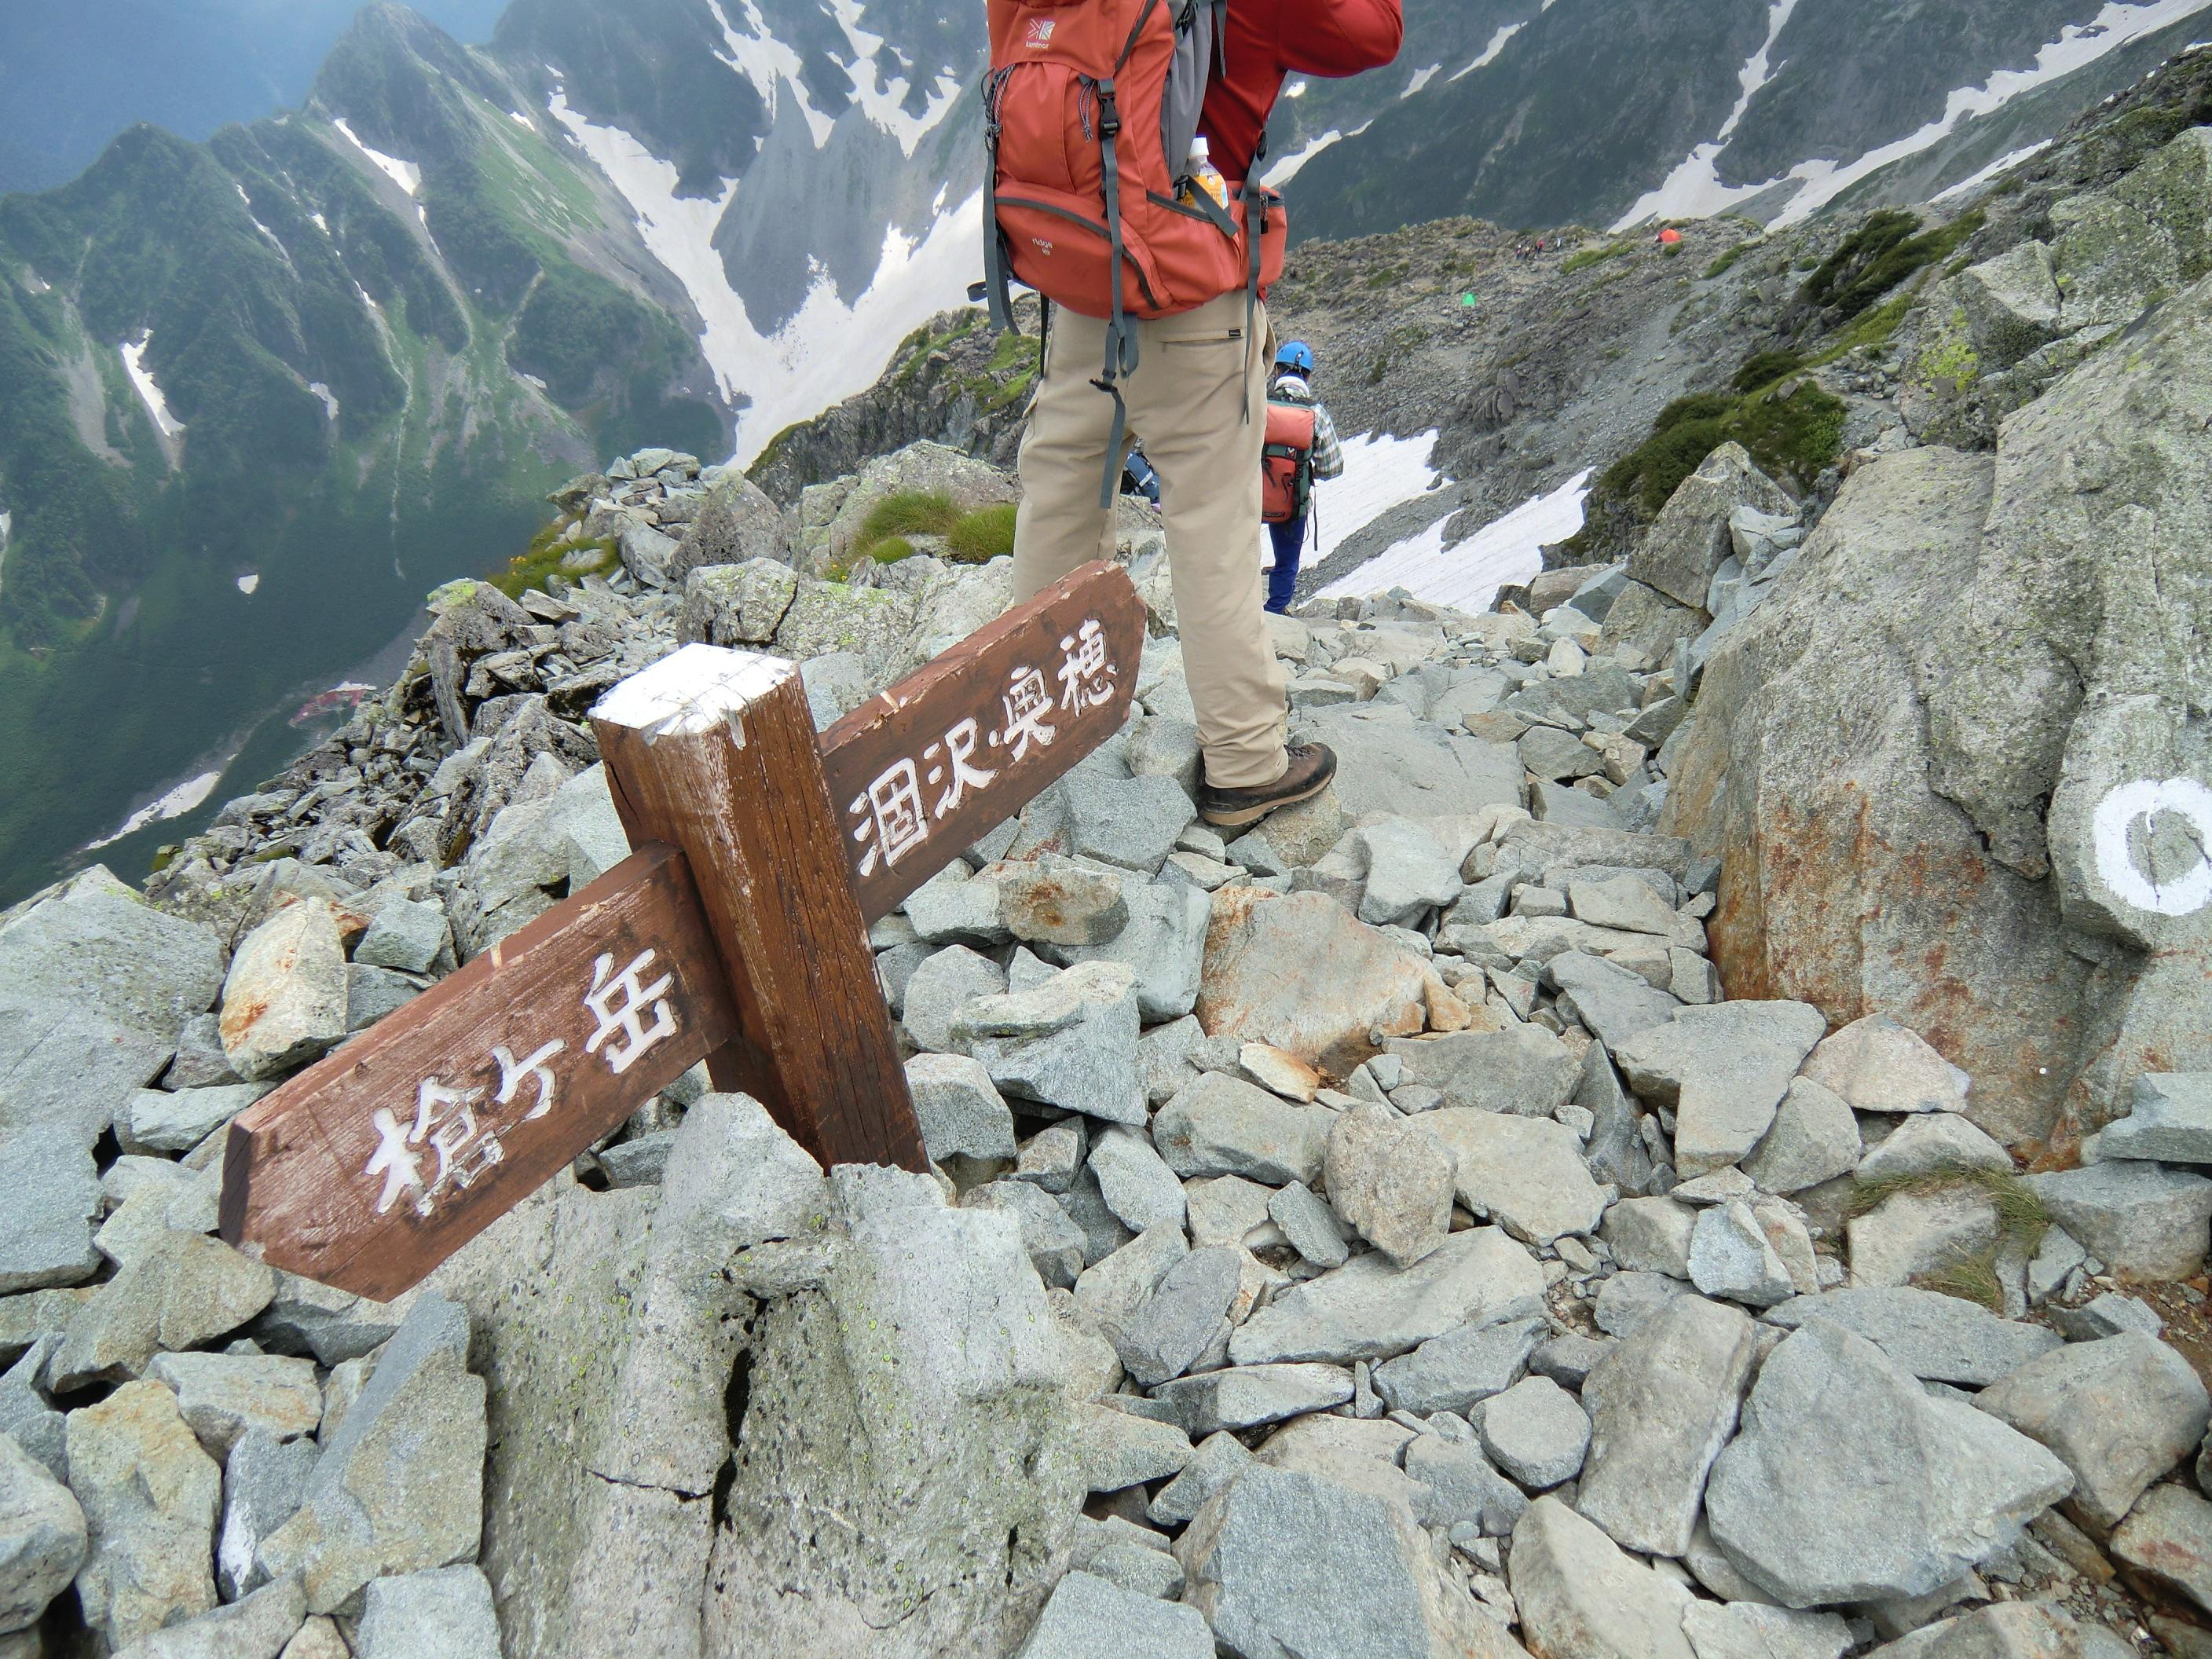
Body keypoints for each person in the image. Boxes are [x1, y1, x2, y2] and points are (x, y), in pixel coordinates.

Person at [1009, 0, 1404, 830]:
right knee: (1212, 531)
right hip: (1190, 297)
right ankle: (1246, 765)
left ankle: (1033, 741)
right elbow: (1374, 33)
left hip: (1081, 277)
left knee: (1057, 504)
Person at [1260, 341, 1345, 615]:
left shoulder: (1258, 403)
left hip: (1251, 496)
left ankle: (1236, 609)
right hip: (1292, 501)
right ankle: (1275, 611)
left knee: (1240, 552)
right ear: (1307, 376)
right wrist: (1304, 469)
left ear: (1277, 371)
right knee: (1286, 562)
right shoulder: (1317, 414)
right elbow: (1333, 466)